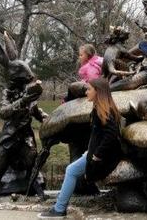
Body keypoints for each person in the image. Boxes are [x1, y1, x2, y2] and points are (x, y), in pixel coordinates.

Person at [39, 78, 122, 218]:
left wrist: (97, 155)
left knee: (70, 171)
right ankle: (59, 208)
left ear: (98, 92)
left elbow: (111, 135)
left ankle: (59, 209)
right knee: (71, 170)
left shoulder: (102, 110)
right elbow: (98, 135)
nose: (86, 92)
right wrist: (89, 151)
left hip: (104, 157)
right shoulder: (101, 108)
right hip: (94, 153)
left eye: (89, 89)